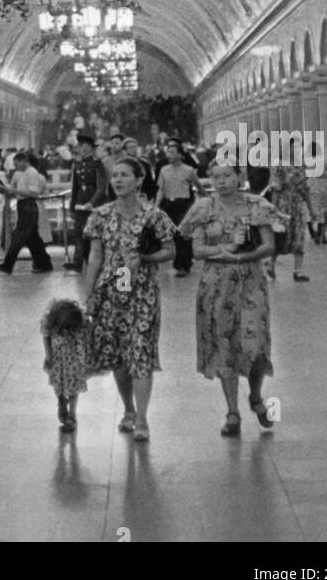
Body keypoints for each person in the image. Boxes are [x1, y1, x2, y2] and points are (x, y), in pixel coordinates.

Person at [178, 158, 281, 436]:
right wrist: (226, 249)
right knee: (223, 343)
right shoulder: (203, 208)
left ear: (239, 176)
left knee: (254, 343)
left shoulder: (256, 205)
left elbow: (269, 245)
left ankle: (256, 394)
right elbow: (197, 250)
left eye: (226, 175)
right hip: (215, 283)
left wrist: (242, 255)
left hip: (251, 281)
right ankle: (232, 411)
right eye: (215, 177)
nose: (221, 181)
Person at [83, 158, 176, 441]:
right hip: (111, 292)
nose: (118, 180)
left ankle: (143, 419)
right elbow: (95, 256)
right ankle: (128, 409)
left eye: (125, 175)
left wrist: (146, 258)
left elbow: (170, 251)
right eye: (115, 176)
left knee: (141, 351)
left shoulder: (154, 216)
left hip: (142, 293)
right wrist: (89, 295)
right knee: (119, 357)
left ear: (139, 180)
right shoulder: (100, 215)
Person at [0, 151, 53, 274]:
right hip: (23, 205)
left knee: (18, 236)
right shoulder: (22, 173)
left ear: (23, 161)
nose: (16, 167)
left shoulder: (32, 173)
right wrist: (5, 190)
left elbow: (33, 193)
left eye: (17, 164)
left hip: (28, 205)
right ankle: (45, 263)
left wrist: (15, 192)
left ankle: (7, 264)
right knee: (33, 238)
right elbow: (17, 190)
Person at [41, 298, 89, 433]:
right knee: (59, 386)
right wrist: (49, 356)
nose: (68, 332)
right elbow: (46, 337)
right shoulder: (51, 326)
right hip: (57, 362)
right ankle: (62, 402)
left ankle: (72, 414)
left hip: (75, 363)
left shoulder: (78, 324)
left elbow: (86, 339)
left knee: (74, 389)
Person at [156, 139, 202, 277]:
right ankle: (178, 263)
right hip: (169, 205)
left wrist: (206, 199)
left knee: (184, 234)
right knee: (174, 235)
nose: (169, 155)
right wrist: (156, 206)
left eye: (172, 152)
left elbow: (198, 186)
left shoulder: (188, 170)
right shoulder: (164, 170)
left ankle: (184, 264)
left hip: (184, 205)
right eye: (168, 152)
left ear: (180, 155)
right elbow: (161, 189)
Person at [64, 133, 106, 273]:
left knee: (94, 234)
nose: (81, 148)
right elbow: (75, 187)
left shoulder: (97, 164)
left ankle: (94, 261)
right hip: (80, 202)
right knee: (78, 232)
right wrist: (72, 207)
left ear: (90, 147)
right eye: (80, 146)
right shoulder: (77, 165)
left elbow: (101, 187)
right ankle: (77, 263)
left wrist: (92, 202)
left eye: (83, 146)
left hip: (94, 202)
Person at [268, 156, 313, 282]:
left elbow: (305, 189)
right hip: (289, 207)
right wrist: (273, 208)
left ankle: (295, 271)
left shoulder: (294, 165)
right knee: (285, 236)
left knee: (291, 235)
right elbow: (276, 188)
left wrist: (311, 208)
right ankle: (274, 265)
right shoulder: (282, 165)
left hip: (292, 206)